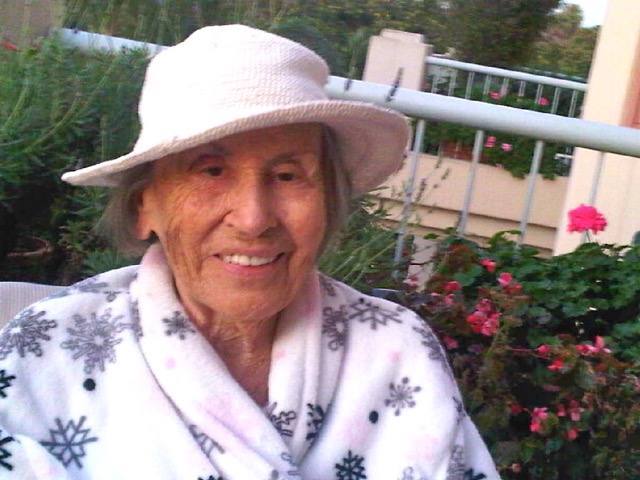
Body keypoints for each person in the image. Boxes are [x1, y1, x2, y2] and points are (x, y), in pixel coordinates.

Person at [0, 25, 500, 480]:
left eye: (287, 175)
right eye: (211, 171)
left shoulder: (396, 349)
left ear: (328, 204)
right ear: (143, 207)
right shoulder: (50, 348)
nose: (254, 219)